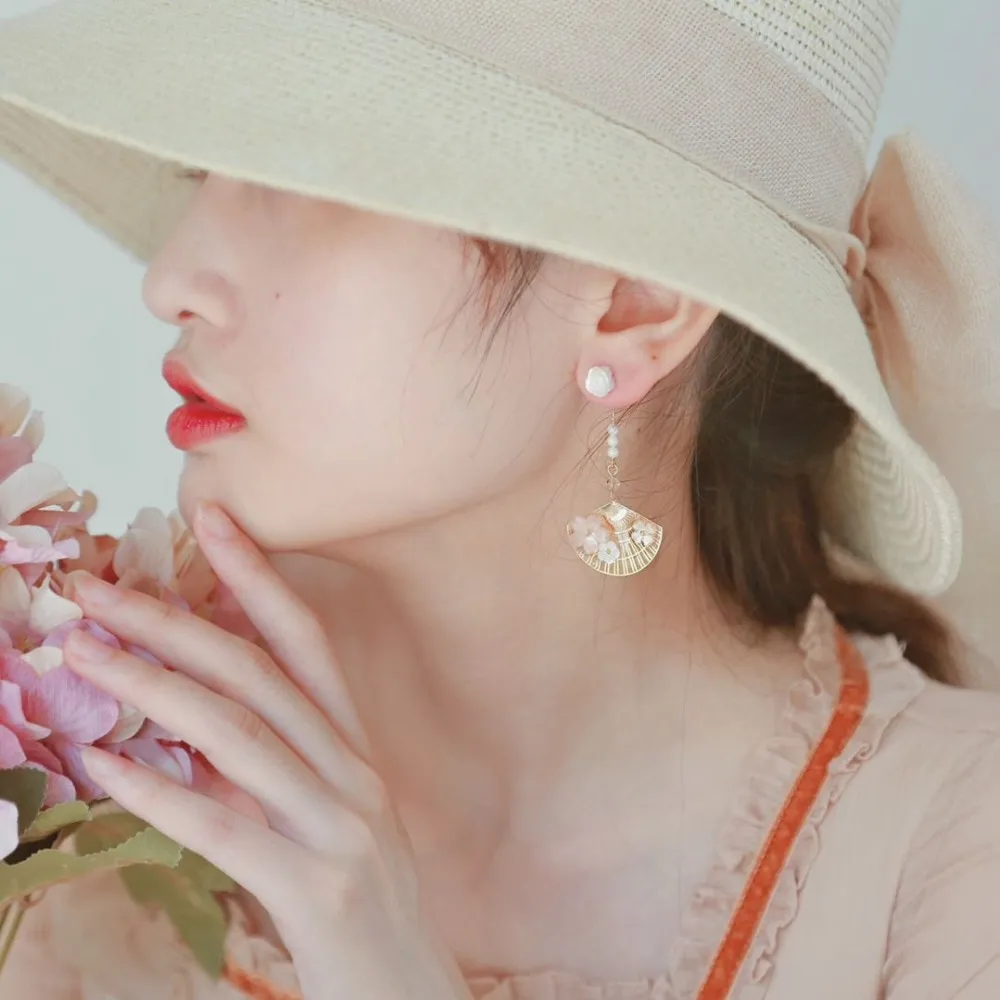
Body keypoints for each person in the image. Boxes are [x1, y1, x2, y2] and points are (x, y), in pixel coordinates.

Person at [1, 0, 1000, 997]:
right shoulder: (85, 749)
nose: (170, 281)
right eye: (200, 168)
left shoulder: (945, 873)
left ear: (633, 302)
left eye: (299, 172)